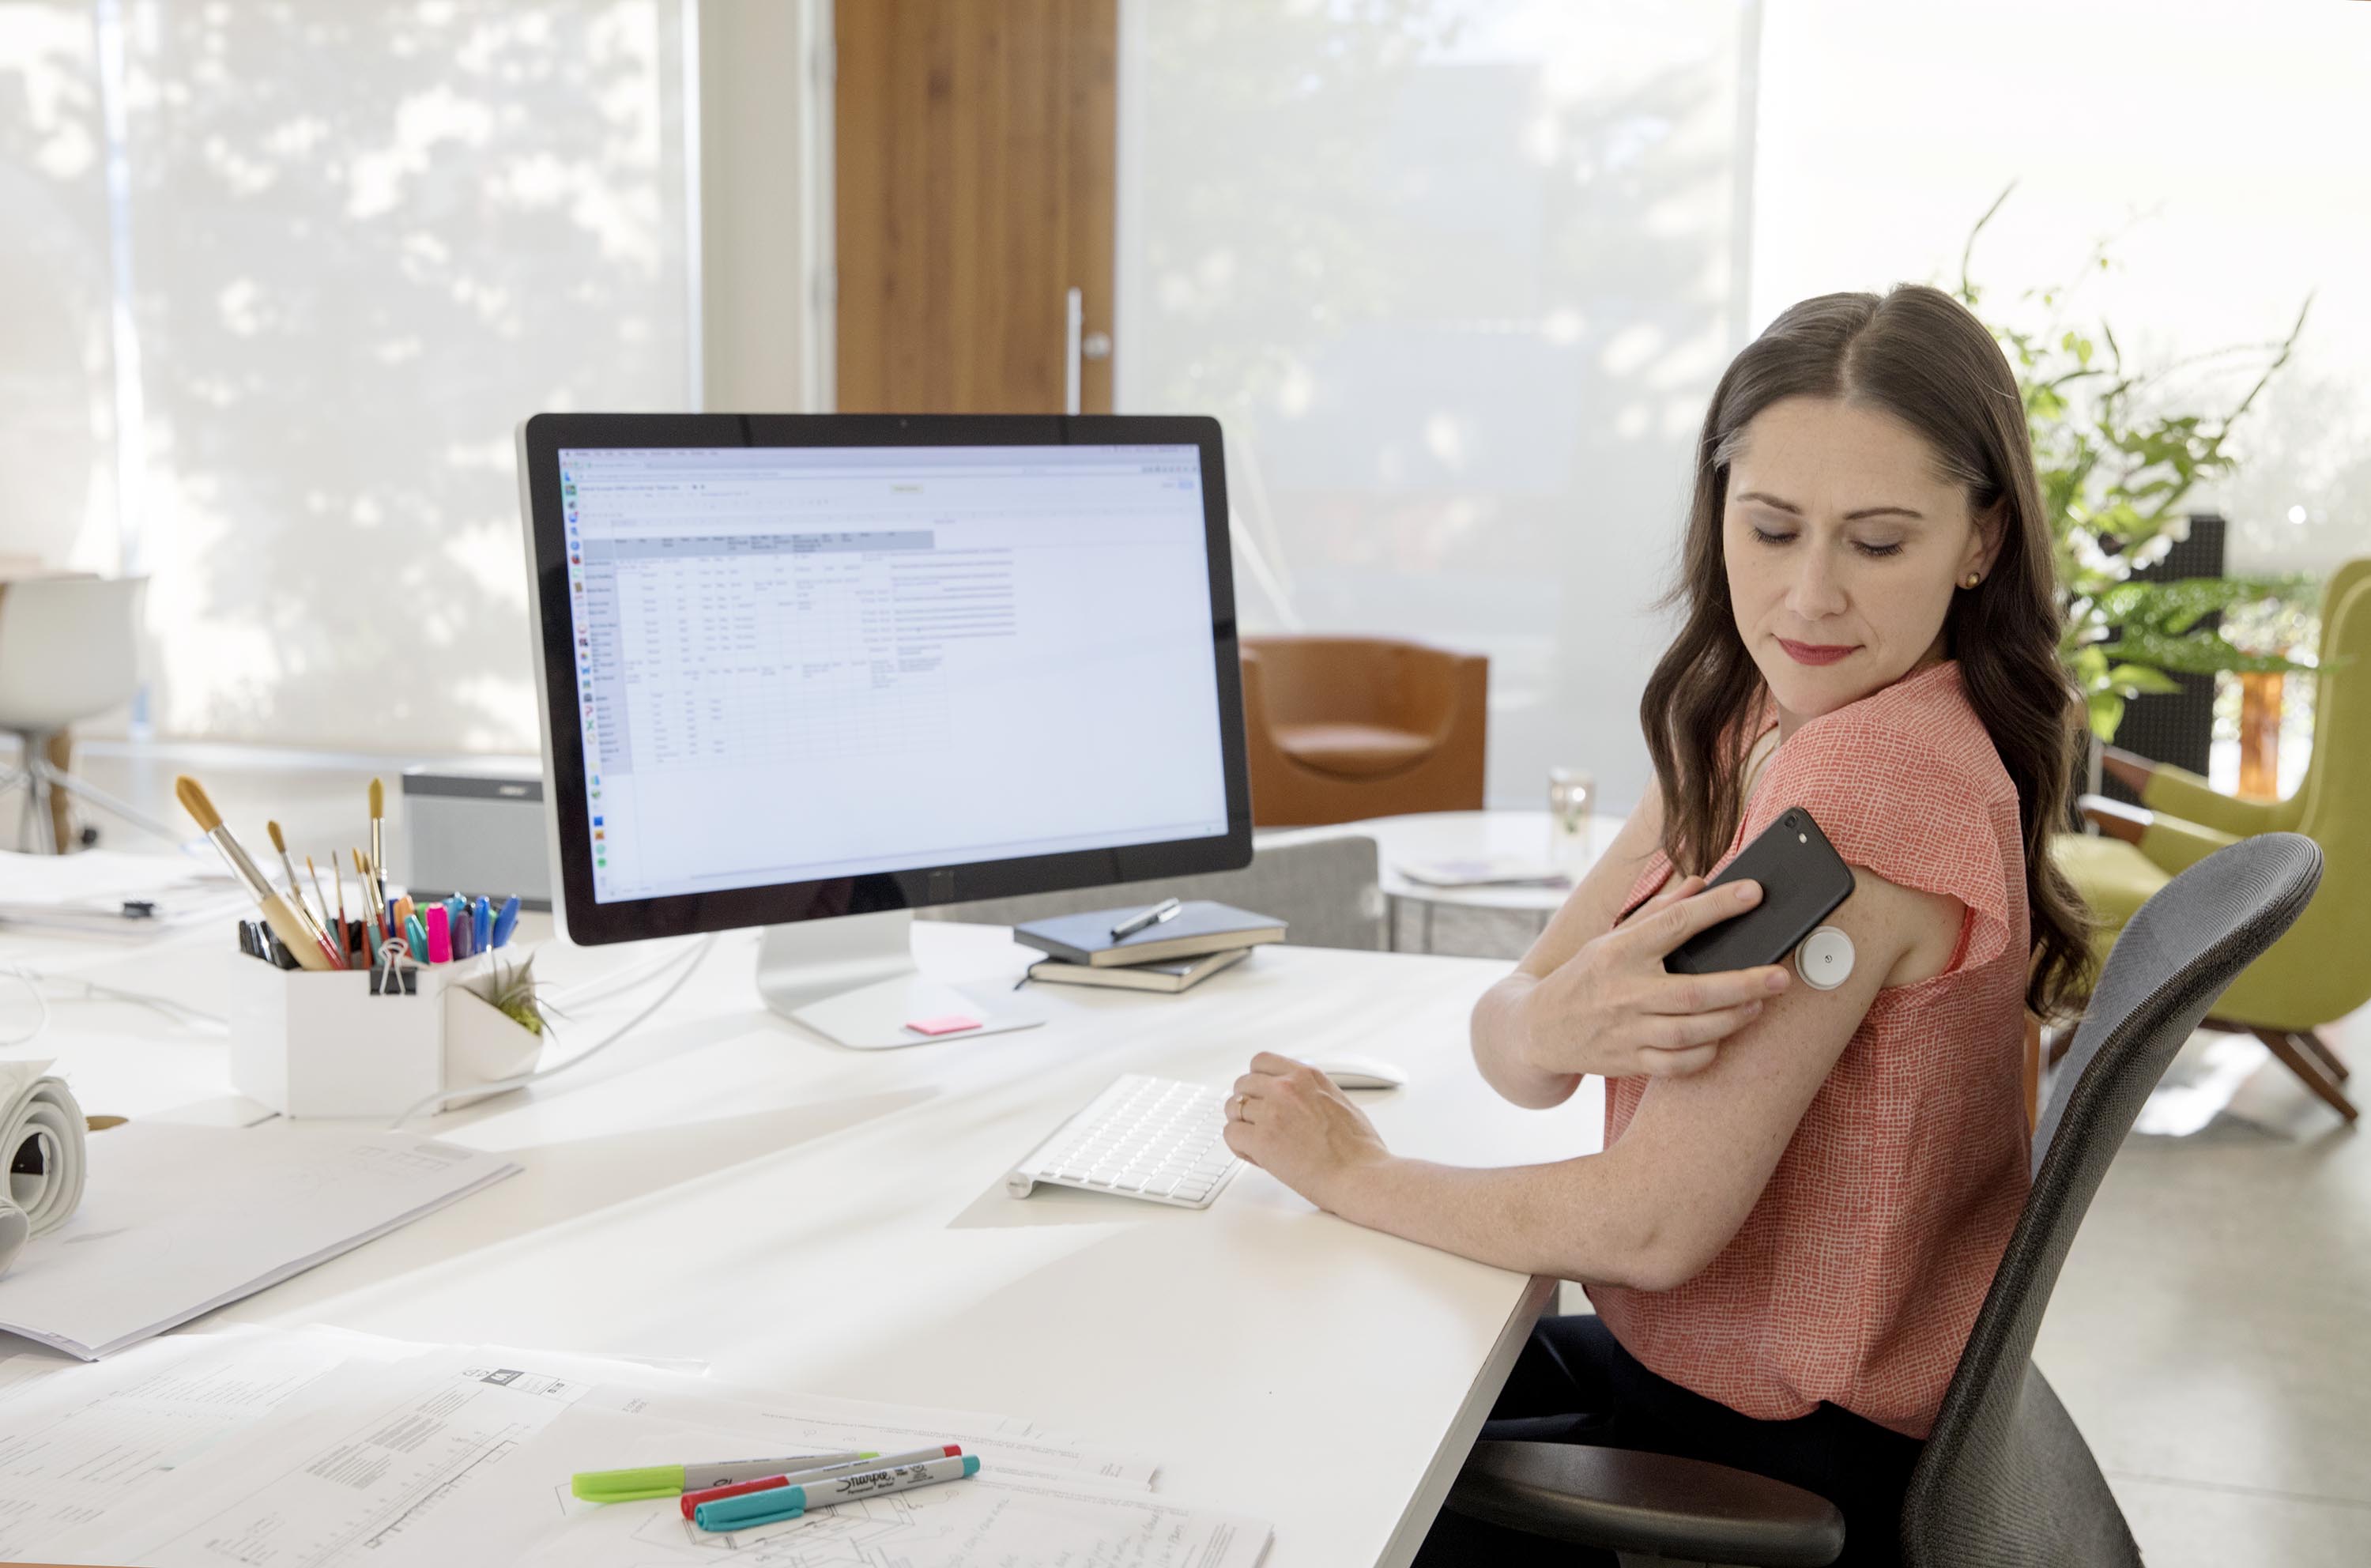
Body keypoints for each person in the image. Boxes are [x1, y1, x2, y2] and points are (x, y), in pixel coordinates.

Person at [1221, 284, 2090, 1566]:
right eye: (1772, 527)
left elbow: (1652, 1226)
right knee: (1329, 1350)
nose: (1810, 596)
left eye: (1879, 541)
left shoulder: (1868, 787)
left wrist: (1354, 1173)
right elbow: (1519, 1046)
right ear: (1719, 512)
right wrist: (1557, 1016)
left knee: (1290, 1432)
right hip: (1697, 1376)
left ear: (1981, 542)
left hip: (1776, 1440)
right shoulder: (1761, 715)